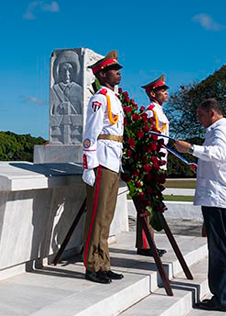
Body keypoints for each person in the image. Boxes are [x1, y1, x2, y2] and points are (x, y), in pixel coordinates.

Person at [175, 99, 226, 312]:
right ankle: (222, 295)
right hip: (222, 199)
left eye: (201, 115)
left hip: (221, 200)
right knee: (224, 249)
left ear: (212, 113)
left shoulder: (219, 131)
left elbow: (218, 153)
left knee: (222, 250)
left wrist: (191, 148)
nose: (198, 119)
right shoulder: (219, 131)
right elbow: (217, 160)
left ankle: (223, 298)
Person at [81, 50, 125, 284]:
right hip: (101, 162)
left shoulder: (113, 98)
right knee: (96, 216)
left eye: (118, 70)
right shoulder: (99, 99)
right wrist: (89, 165)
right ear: (102, 74)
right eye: (114, 70)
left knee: (106, 217)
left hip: (113, 161)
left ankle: (103, 263)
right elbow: (91, 133)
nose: (118, 73)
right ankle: (91, 265)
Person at [136, 75, 169, 257]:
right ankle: (146, 245)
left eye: (165, 91)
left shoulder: (160, 111)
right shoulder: (151, 111)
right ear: (152, 93)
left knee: (151, 204)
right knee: (147, 206)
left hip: (159, 161)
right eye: (162, 91)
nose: (166, 94)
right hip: (152, 163)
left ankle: (149, 243)